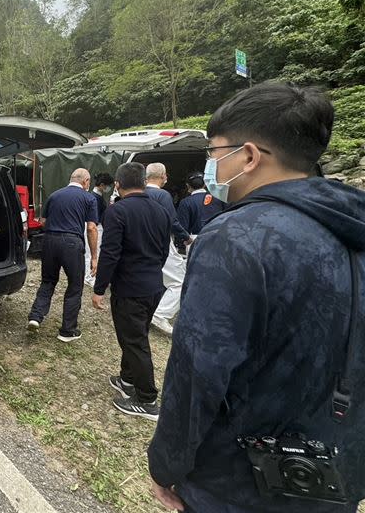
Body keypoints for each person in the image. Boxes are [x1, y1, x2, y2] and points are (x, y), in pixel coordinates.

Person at [148, 83, 365, 513]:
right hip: (333, 478)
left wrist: (167, 464)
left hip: (240, 482)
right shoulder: (352, 231)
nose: (210, 163)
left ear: (247, 156)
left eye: (213, 151)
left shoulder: (238, 237)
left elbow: (197, 369)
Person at [91, 162, 170, 420]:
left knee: (134, 341)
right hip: (154, 285)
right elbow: (163, 251)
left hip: (130, 288)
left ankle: (147, 400)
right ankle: (127, 379)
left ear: (117, 184)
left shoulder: (118, 211)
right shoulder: (161, 210)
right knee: (134, 335)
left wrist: (99, 288)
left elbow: (111, 253)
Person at [27, 168, 98, 342]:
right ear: (86, 181)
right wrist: (94, 256)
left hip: (50, 240)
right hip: (72, 243)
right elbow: (91, 228)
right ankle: (67, 330)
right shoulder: (89, 198)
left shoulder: (54, 195)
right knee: (75, 285)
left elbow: (42, 221)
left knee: (48, 281)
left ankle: (35, 317)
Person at [144, 163, 189, 335]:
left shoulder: (138, 192)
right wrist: (186, 237)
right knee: (180, 281)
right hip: (160, 242)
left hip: (140, 242)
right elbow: (172, 221)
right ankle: (161, 314)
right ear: (163, 175)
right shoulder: (163, 195)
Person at [84, 172, 114, 288]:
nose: (109, 188)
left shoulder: (98, 196)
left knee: (95, 252)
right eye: (108, 186)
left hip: (97, 227)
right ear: (102, 185)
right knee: (91, 253)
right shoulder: (94, 198)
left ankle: (92, 275)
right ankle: (89, 277)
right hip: (94, 227)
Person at [176, 171, 225, 239]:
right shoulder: (218, 197)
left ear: (188, 185)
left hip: (195, 239)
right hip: (219, 236)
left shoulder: (186, 202)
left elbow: (183, 226)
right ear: (205, 184)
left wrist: (184, 239)